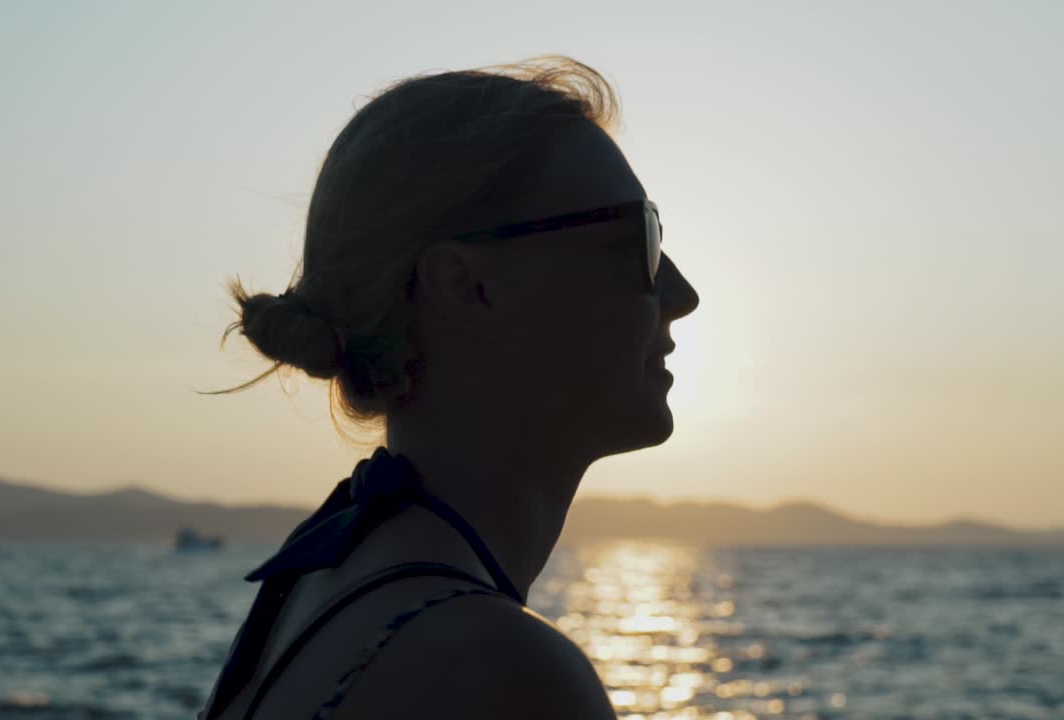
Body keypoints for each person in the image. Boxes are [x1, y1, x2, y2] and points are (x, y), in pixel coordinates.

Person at [197, 54, 700, 720]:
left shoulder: (310, 593)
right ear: (467, 286)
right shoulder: (499, 674)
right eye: (639, 240)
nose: (682, 293)